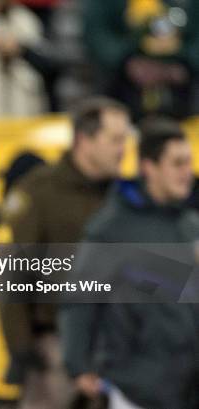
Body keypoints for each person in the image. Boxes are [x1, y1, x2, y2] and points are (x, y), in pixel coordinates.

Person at [0, 97, 131, 409]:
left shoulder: (126, 196)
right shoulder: (40, 191)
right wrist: (21, 347)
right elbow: (15, 273)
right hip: (53, 350)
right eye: (115, 139)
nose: (123, 149)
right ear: (85, 140)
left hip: (119, 350)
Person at [60, 117, 199, 409]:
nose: (188, 172)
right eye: (178, 163)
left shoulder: (190, 225)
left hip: (187, 386)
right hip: (135, 387)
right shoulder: (114, 227)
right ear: (149, 167)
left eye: (188, 163)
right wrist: (78, 364)